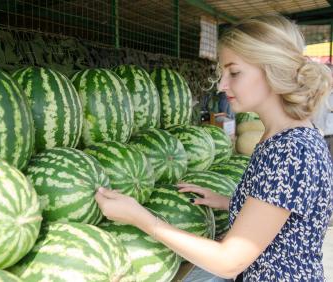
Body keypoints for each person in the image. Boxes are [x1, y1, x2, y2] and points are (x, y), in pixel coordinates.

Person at [95, 15, 333, 281]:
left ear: (272, 69)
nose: (222, 86)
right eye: (222, 74)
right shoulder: (283, 136)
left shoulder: (292, 151)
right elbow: (285, 213)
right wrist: (228, 202)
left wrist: (141, 217)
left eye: (234, 72)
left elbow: (228, 261)